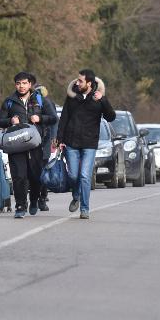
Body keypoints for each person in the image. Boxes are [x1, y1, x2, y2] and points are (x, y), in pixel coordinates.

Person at [56, 69, 116, 219]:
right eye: (77, 80)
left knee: (84, 176)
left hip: (89, 143)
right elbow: (64, 118)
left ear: (89, 83)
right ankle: (76, 195)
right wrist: (59, 139)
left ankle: (84, 209)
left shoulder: (98, 98)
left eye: (80, 81)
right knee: (73, 175)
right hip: (71, 142)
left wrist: (103, 99)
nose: (77, 82)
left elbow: (111, 117)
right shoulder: (72, 97)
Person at [0, 72, 57, 218]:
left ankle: (34, 200)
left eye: (24, 83)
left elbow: (53, 118)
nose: (21, 86)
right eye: (18, 83)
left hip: (36, 144)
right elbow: (0, 121)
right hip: (16, 145)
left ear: (30, 84)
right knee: (18, 176)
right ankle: (20, 206)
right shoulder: (9, 101)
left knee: (35, 176)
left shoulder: (40, 100)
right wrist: (11, 121)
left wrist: (40, 118)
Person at [33, 80, 58, 211]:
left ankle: (42, 198)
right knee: (32, 172)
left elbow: (54, 121)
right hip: (30, 142)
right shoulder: (26, 102)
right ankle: (34, 199)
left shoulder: (47, 103)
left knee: (42, 171)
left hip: (44, 141)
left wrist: (54, 138)